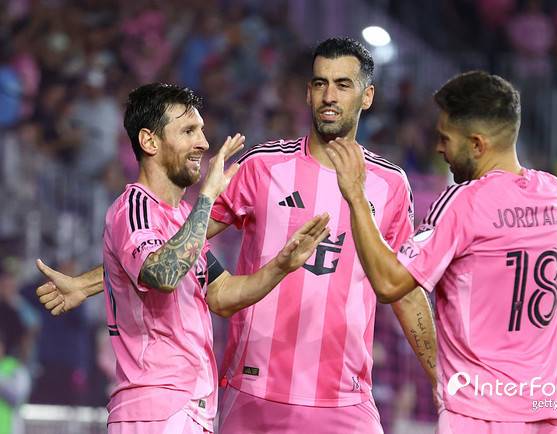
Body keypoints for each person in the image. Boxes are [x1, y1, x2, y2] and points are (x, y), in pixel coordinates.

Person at [36, 38, 437, 434]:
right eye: (320, 83)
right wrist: (90, 283)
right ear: (307, 92)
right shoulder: (261, 166)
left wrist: (442, 378)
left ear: (367, 96)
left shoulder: (390, 185)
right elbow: (180, 242)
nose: (329, 96)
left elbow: (404, 290)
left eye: (343, 85)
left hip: (345, 399)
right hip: (253, 394)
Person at [41, 82, 330, 434]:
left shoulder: (181, 220)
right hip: (155, 406)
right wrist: (207, 198)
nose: (204, 143)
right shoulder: (134, 208)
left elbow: (222, 295)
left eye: (202, 131)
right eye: (189, 131)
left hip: (188, 408)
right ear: (149, 142)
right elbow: (163, 274)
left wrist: (281, 265)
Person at [326, 71, 557, 434]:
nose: (439, 150)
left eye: (445, 139)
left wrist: (356, 195)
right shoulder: (554, 196)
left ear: (477, 145)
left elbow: (390, 284)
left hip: (480, 414)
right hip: (545, 410)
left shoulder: (463, 202)